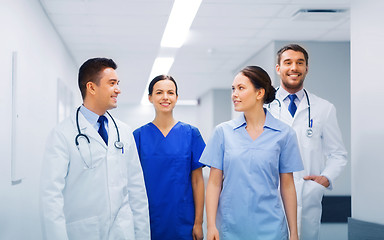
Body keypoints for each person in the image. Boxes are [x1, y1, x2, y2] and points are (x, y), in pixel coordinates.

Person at [40, 58, 150, 240]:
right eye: (112, 83)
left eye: (118, 83)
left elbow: (137, 191)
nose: (118, 89)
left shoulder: (123, 131)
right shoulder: (62, 134)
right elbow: (51, 198)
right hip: (83, 232)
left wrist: (143, 236)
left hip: (122, 232)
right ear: (91, 87)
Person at [201, 66, 303, 240]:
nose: (234, 94)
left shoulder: (284, 134)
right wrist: (210, 226)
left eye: (241, 88)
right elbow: (213, 184)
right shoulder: (223, 132)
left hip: (271, 228)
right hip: (230, 227)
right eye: (233, 89)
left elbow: (287, 186)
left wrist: (294, 233)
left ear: (259, 93)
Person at [267, 44, 348, 240]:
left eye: (299, 63)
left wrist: (325, 179)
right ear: (278, 68)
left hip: (307, 194)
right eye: (288, 62)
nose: (294, 67)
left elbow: (337, 154)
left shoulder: (324, 108)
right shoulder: (264, 106)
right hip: (271, 194)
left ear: (306, 68)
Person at [133, 75, 205, 240]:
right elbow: (133, 184)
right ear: (150, 97)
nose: (165, 97)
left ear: (176, 97)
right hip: (148, 219)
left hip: (183, 219)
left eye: (170, 92)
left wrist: (199, 223)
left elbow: (197, 181)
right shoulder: (138, 136)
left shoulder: (191, 134)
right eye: (159, 92)